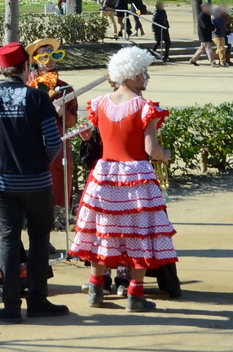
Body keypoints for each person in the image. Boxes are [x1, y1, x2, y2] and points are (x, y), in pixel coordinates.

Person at [71, 46, 176, 312]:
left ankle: (95, 288)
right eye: (143, 72)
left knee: (103, 232)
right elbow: (152, 151)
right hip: (135, 176)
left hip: (105, 174)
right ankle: (135, 295)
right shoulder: (145, 108)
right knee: (139, 235)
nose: (146, 77)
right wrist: (166, 155)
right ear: (129, 74)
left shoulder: (98, 104)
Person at [0, 42, 69, 324]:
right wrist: (41, 160)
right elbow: (54, 143)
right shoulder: (38, 98)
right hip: (36, 181)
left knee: (8, 240)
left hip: (0, 182)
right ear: (26, 68)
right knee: (39, 239)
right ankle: (37, 301)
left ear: (3, 69)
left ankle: (11, 305)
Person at [26, 38, 78, 211]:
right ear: (34, 61)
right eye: (43, 57)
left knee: (60, 179)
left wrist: (64, 113)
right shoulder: (27, 87)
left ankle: (60, 216)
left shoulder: (66, 88)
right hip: (34, 143)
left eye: (53, 55)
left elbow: (72, 121)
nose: (50, 60)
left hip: (60, 143)